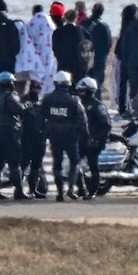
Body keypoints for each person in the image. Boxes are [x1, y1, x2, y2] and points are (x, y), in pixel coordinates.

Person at [41, 70, 88, 202]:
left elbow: (40, 116)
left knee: (57, 164)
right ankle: (71, 189)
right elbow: (82, 120)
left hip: (54, 136)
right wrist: (86, 135)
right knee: (75, 162)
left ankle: (60, 193)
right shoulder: (73, 100)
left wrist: (43, 133)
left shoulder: (47, 98)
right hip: (70, 136)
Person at [0, 72, 27, 200]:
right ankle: (19, 191)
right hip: (9, 132)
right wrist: (27, 106)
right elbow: (19, 109)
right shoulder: (9, 97)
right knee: (14, 163)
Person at [76, 77, 112, 199]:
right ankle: (81, 189)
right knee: (75, 165)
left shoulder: (98, 106)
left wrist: (98, 140)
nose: (80, 93)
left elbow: (106, 125)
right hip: (81, 140)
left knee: (93, 166)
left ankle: (92, 192)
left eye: (83, 90)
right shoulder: (78, 105)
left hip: (94, 142)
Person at [83, 4, 114, 97]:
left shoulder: (84, 24)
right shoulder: (104, 26)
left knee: (84, 84)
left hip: (85, 59)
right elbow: (108, 44)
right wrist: (104, 54)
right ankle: (96, 106)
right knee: (97, 86)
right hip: (99, 59)